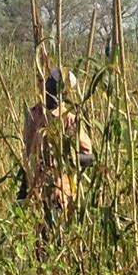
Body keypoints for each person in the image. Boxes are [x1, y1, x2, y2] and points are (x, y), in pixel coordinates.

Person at [17, 67, 93, 260]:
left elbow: (89, 157)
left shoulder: (70, 119)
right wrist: (23, 188)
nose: (49, 91)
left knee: (56, 238)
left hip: (60, 190)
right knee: (39, 242)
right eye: (48, 85)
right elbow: (28, 153)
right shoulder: (33, 115)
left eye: (55, 88)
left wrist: (64, 158)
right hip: (37, 189)